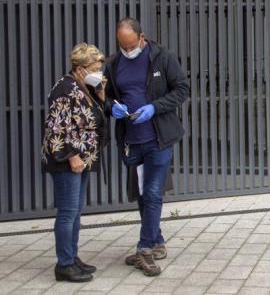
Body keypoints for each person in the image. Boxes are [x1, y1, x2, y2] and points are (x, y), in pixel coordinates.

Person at [104, 18, 189, 277]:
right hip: (131, 141)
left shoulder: (163, 57)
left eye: (131, 45)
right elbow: (104, 97)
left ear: (142, 38)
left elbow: (183, 89)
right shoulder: (114, 63)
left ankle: (144, 248)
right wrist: (112, 108)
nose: (127, 50)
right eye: (122, 45)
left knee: (152, 192)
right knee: (142, 194)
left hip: (158, 138)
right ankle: (157, 240)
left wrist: (154, 107)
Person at [42, 44, 109, 283]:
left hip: (82, 159)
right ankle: (64, 264)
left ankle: (72, 256)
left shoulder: (86, 87)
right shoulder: (64, 89)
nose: (99, 73)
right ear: (80, 68)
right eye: (94, 68)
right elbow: (55, 128)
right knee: (68, 212)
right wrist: (72, 155)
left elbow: (95, 119)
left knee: (76, 211)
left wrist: (101, 96)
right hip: (67, 160)